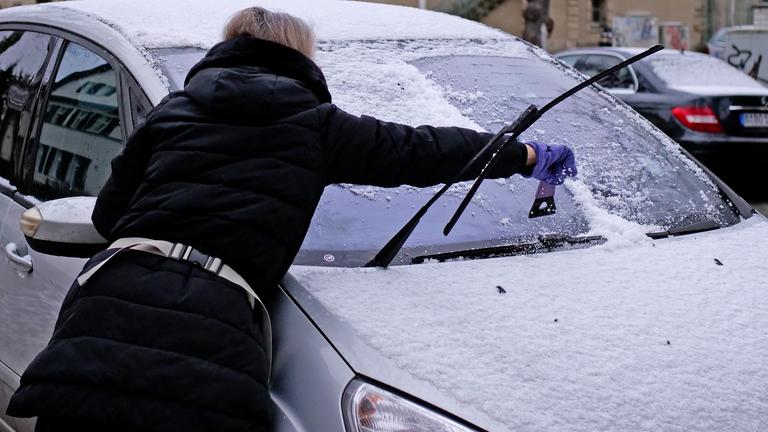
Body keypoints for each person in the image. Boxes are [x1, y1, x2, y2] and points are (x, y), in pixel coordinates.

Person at [6, 6, 577, 432]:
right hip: (214, 332)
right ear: (303, 58)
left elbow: (109, 214)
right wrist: (524, 155)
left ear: (228, 48)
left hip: (101, 314)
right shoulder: (317, 126)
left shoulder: (174, 111)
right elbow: (422, 150)